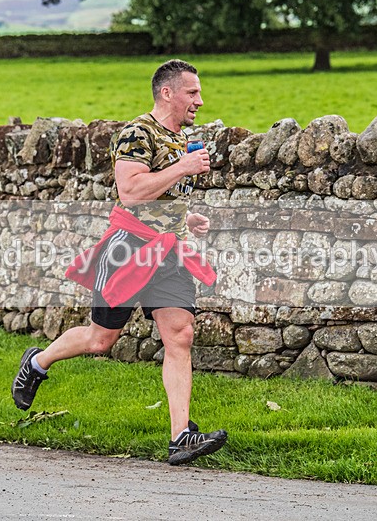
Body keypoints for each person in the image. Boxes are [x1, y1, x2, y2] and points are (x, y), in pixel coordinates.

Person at [12, 59, 228, 466]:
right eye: (192, 92)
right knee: (100, 340)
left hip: (168, 250)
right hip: (128, 249)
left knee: (180, 335)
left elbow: (162, 194)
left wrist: (185, 217)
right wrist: (183, 167)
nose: (200, 100)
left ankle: (181, 436)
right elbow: (130, 191)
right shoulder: (136, 134)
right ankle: (37, 362)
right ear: (168, 93)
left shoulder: (182, 138)